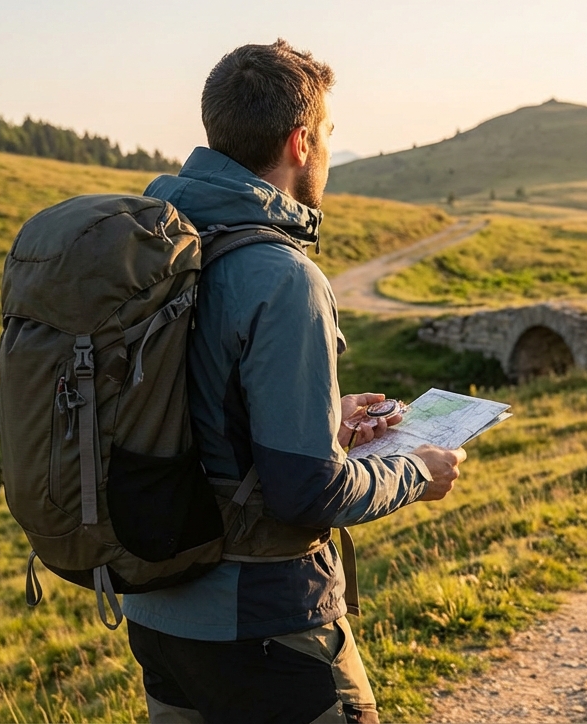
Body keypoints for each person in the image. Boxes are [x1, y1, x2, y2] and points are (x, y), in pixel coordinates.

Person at [121, 39, 466, 724]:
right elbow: (306, 491)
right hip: (265, 623)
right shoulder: (282, 275)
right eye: (329, 132)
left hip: (157, 618)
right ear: (301, 142)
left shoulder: (156, 246)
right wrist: (416, 471)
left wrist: (326, 417)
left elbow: (197, 414)